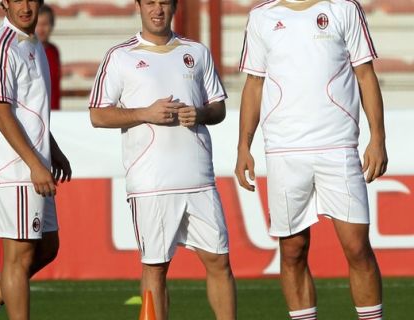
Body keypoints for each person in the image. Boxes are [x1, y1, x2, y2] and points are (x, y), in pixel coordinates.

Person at [236, 0, 387, 319]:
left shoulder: (344, 9)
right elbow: (254, 84)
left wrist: (378, 138)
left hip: (337, 147)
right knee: (292, 251)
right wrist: (243, 146)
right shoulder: (262, 16)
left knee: (357, 247)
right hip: (284, 151)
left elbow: (365, 74)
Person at [89, 0, 236, 319]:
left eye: (164, 3)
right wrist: (145, 113)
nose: (158, 10)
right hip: (151, 182)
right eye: (151, 3)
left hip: (198, 180)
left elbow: (218, 109)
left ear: (175, 7)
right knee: (155, 268)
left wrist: (199, 113)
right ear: (139, 7)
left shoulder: (196, 52)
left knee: (219, 261)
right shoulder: (120, 56)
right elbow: (98, 115)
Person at [0, 0, 71, 319]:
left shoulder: (33, 43)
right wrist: (34, 164)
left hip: (32, 160)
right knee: (19, 257)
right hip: (14, 166)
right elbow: (2, 112)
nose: (25, 6)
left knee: (47, 248)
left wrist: (52, 150)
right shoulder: (1, 48)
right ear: (4, 4)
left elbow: (29, 110)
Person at [35, 4, 61, 110]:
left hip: (54, 112)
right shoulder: (26, 51)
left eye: (45, 24)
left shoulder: (54, 51)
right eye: (38, 24)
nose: (41, 29)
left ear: (52, 25)